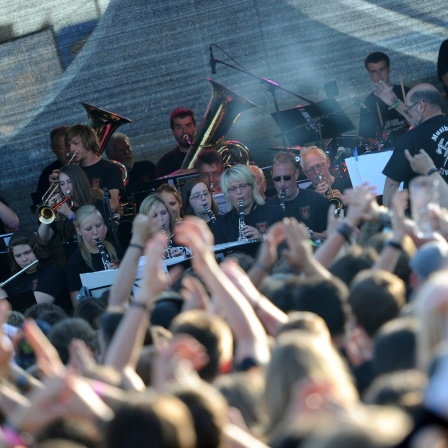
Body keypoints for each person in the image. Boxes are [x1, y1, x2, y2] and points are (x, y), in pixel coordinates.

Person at [382, 83, 448, 207]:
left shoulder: (410, 139)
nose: (408, 114)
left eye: (409, 109)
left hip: (428, 218)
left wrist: (386, 218)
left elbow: (391, 184)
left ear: (421, 106)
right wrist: (395, 103)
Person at [37, 164, 106, 261]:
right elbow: (43, 239)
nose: (66, 187)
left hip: (97, 258)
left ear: (79, 182)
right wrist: (48, 213)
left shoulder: (96, 203)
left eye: (69, 182)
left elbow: (92, 228)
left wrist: (69, 214)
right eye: (62, 184)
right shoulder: (61, 208)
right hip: (73, 261)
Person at [0, 230, 71, 313]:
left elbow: (36, 307)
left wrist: (3, 299)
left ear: (37, 250)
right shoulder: (14, 281)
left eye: (27, 252)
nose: (24, 259)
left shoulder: (54, 272)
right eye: (18, 256)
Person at [66, 205, 125, 305]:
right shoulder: (75, 262)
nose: (96, 232)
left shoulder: (118, 250)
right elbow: (78, 305)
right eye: (88, 229)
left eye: (98, 225)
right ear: (79, 231)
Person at [211, 164, 285, 244]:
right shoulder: (220, 225)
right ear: (227, 194)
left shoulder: (275, 213)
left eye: (243, 186)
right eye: (232, 189)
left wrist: (263, 237)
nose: (239, 192)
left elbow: (287, 245)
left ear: (252, 187)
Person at [268, 151, 329, 240]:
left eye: (286, 178)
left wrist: (308, 233)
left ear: (296, 174)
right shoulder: (268, 207)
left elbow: (330, 235)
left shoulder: (316, 199)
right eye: (277, 179)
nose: (282, 183)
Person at [65, 124, 125, 213]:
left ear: (88, 141)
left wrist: (97, 193)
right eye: (69, 145)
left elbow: (112, 206)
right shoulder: (72, 173)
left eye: (76, 143)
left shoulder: (110, 168)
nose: (71, 149)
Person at [359, 52, 410, 146]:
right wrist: (374, 142)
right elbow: (364, 137)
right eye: (374, 71)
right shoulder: (367, 104)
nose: (379, 75)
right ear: (369, 74)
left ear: (389, 69)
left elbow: (423, 120)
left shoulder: (407, 92)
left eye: (382, 69)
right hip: (386, 150)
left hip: (411, 142)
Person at [139, 193, 189, 258]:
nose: (161, 218)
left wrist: (184, 258)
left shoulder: (184, 233)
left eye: (163, 213)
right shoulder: (144, 246)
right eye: (154, 216)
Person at [155, 107, 196, 178]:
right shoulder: (165, 162)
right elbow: (159, 185)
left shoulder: (207, 154)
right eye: (179, 127)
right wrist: (179, 173)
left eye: (188, 126)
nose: (185, 131)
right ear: (173, 131)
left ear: (194, 127)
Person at [35, 125, 70, 201]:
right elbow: (39, 203)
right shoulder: (48, 172)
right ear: (53, 149)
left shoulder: (86, 164)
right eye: (62, 147)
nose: (68, 151)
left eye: (70, 145)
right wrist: (53, 192)